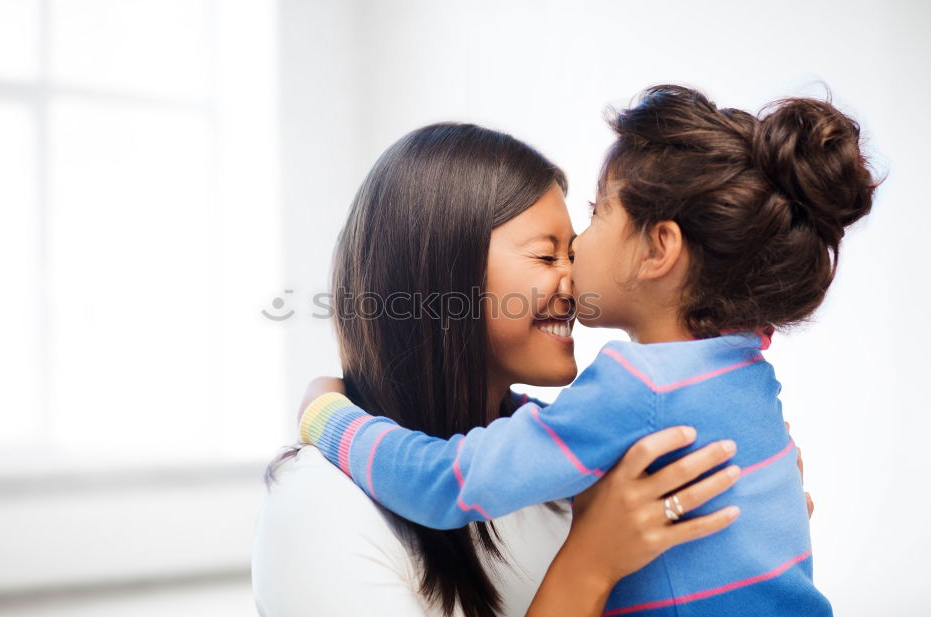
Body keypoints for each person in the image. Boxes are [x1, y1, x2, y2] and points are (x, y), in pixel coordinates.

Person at [298, 85, 875, 615]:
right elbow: (582, 439)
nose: (573, 265)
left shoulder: (635, 385)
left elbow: (446, 483)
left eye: (596, 216)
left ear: (659, 250)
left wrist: (328, 417)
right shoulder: (744, 368)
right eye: (548, 255)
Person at [254, 121, 758, 617]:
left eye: (574, 254)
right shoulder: (318, 506)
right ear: (444, 279)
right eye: (547, 256)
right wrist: (591, 563)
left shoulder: (569, 475)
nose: (576, 283)